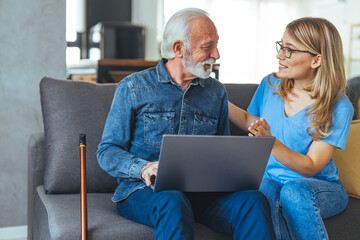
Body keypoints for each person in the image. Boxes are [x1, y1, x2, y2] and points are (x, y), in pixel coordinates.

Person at [97, 8, 275, 240]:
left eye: (217, 45)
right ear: (179, 48)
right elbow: (107, 151)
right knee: (172, 199)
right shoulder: (133, 87)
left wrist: (239, 164)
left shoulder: (216, 92)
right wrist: (144, 168)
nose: (217, 54)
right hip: (144, 192)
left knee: (253, 200)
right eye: (207, 47)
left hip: (202, 194)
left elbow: (221, 151)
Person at [228, 17, 354, 240]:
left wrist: (270, 141)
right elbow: (250, 118)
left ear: (316, 60)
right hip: (271, 179)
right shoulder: (270, 84)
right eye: (281, 46)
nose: (279, 55)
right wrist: (218, 97)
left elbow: (311, 166)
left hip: (318, 187)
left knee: (293, 192)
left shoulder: (339, 106)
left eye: (290, 50)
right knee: (262, 192)